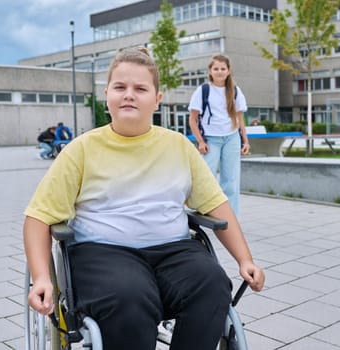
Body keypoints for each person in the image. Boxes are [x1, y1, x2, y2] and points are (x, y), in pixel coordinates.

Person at [23, 48, 264, 350]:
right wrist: (41, 277)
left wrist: (245, 259)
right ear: (107, 94)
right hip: (104, 252)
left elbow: (215, 204)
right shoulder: (81, 149)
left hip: (173, 250)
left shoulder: (178, 146)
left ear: (157, 99)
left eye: (140, 89)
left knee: (212, 285)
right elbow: (39, 216)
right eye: (120, 87)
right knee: (130, 297)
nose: (129, 95)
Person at [188, 54, 249, 217]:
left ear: (229, 71)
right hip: (210, 140)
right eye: (216, 68)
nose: (220, 72)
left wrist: (245, 141)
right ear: (210, 71)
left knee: (231, 180)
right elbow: (193, 120)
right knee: (206, 177)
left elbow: (239, 119)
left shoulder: (235, 91)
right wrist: (200, 141)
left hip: (232, 138)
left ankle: (231, 216)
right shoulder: (203, 90)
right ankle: (206, 210)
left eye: (223, 69)